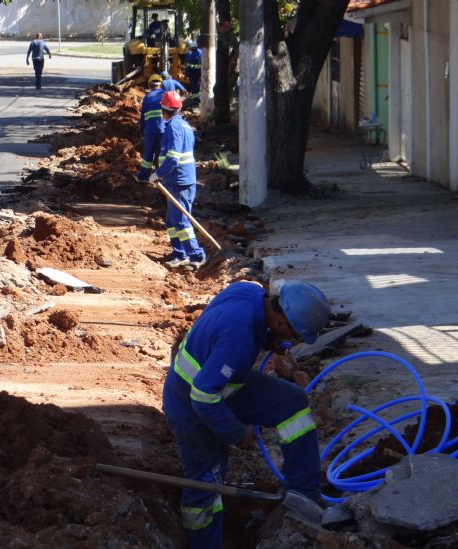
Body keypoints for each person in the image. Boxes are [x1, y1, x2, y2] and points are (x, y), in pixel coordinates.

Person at [162, 280, 331, 548]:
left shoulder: (250, 293)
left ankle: (303, 493)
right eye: (294, 336)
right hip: (190, 405)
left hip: (223, 386)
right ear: (280, 323)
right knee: (207, 482)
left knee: (292, 402)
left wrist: (269, 341)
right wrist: (237, 432)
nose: (292, 343)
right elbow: (203, 397)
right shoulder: (239, 336)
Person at [148, 91, 205, 271]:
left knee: (180, 220)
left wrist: (158, 173)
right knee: (172, 220)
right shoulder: (183, 125)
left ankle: (196, 255)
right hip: (177, 179)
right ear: (178, 108)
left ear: (163, 109)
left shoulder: (174, 128)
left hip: (180, 180)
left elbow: (173, 157)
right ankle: (179, 253)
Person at [137, 74, 165, 183]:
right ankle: (160, 177)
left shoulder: (147, 97)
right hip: (164, 130)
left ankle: (143, 177)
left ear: (150, 85)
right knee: (162, 154)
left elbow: (143, 117)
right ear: (161, 84)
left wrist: (142, 132)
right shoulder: (166, 95)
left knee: (148, 154)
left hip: (150, 131)